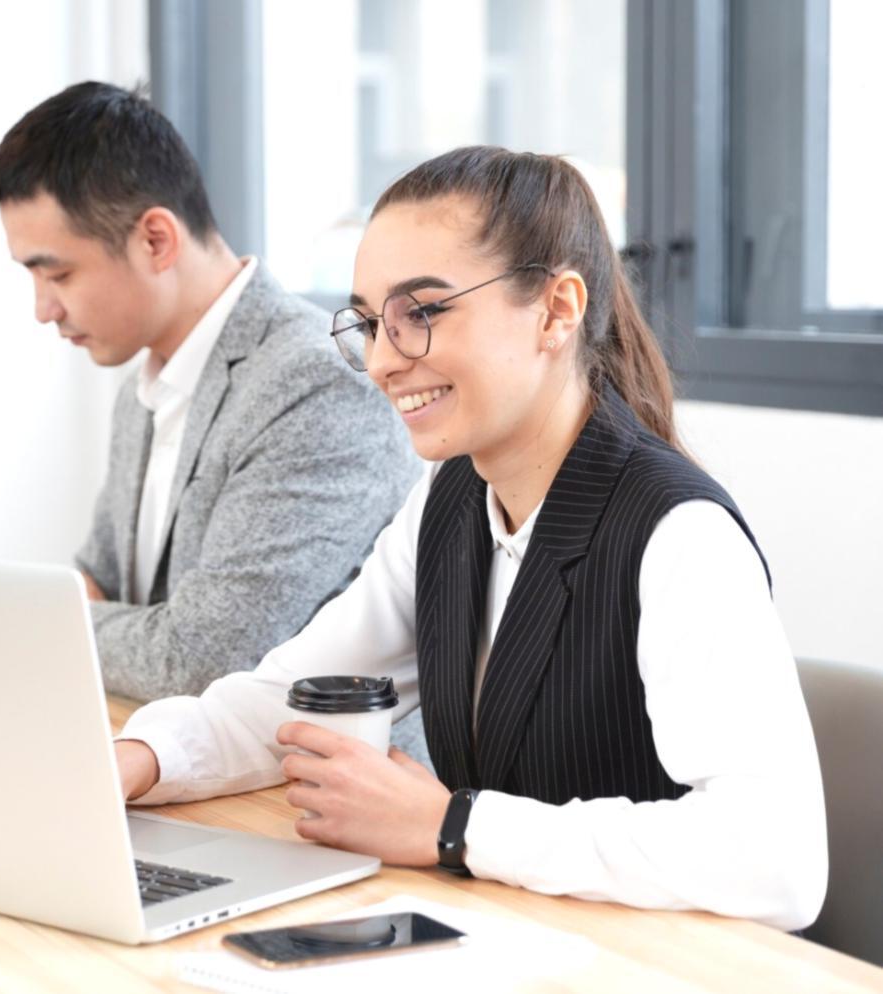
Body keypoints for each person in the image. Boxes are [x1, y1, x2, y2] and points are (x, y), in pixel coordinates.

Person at [113, 146, 827, 931]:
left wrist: (455, 825)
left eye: (422, 312)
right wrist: (138, 762)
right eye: (370, 323)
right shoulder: (450, 500)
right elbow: (293, 695)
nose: (383, 362)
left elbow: (778, 862)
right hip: (515, 940)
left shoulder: (679, 534)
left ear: (557, 310)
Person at [0, 82, 420, 703]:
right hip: (166, 758)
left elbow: (202, 659)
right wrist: (75, 610)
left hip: (293, 787)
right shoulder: (144, 387)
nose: (43, 309)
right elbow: (97, 583)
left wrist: (34, 616)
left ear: (156, 240)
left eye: (59, 273)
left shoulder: (314, 384)